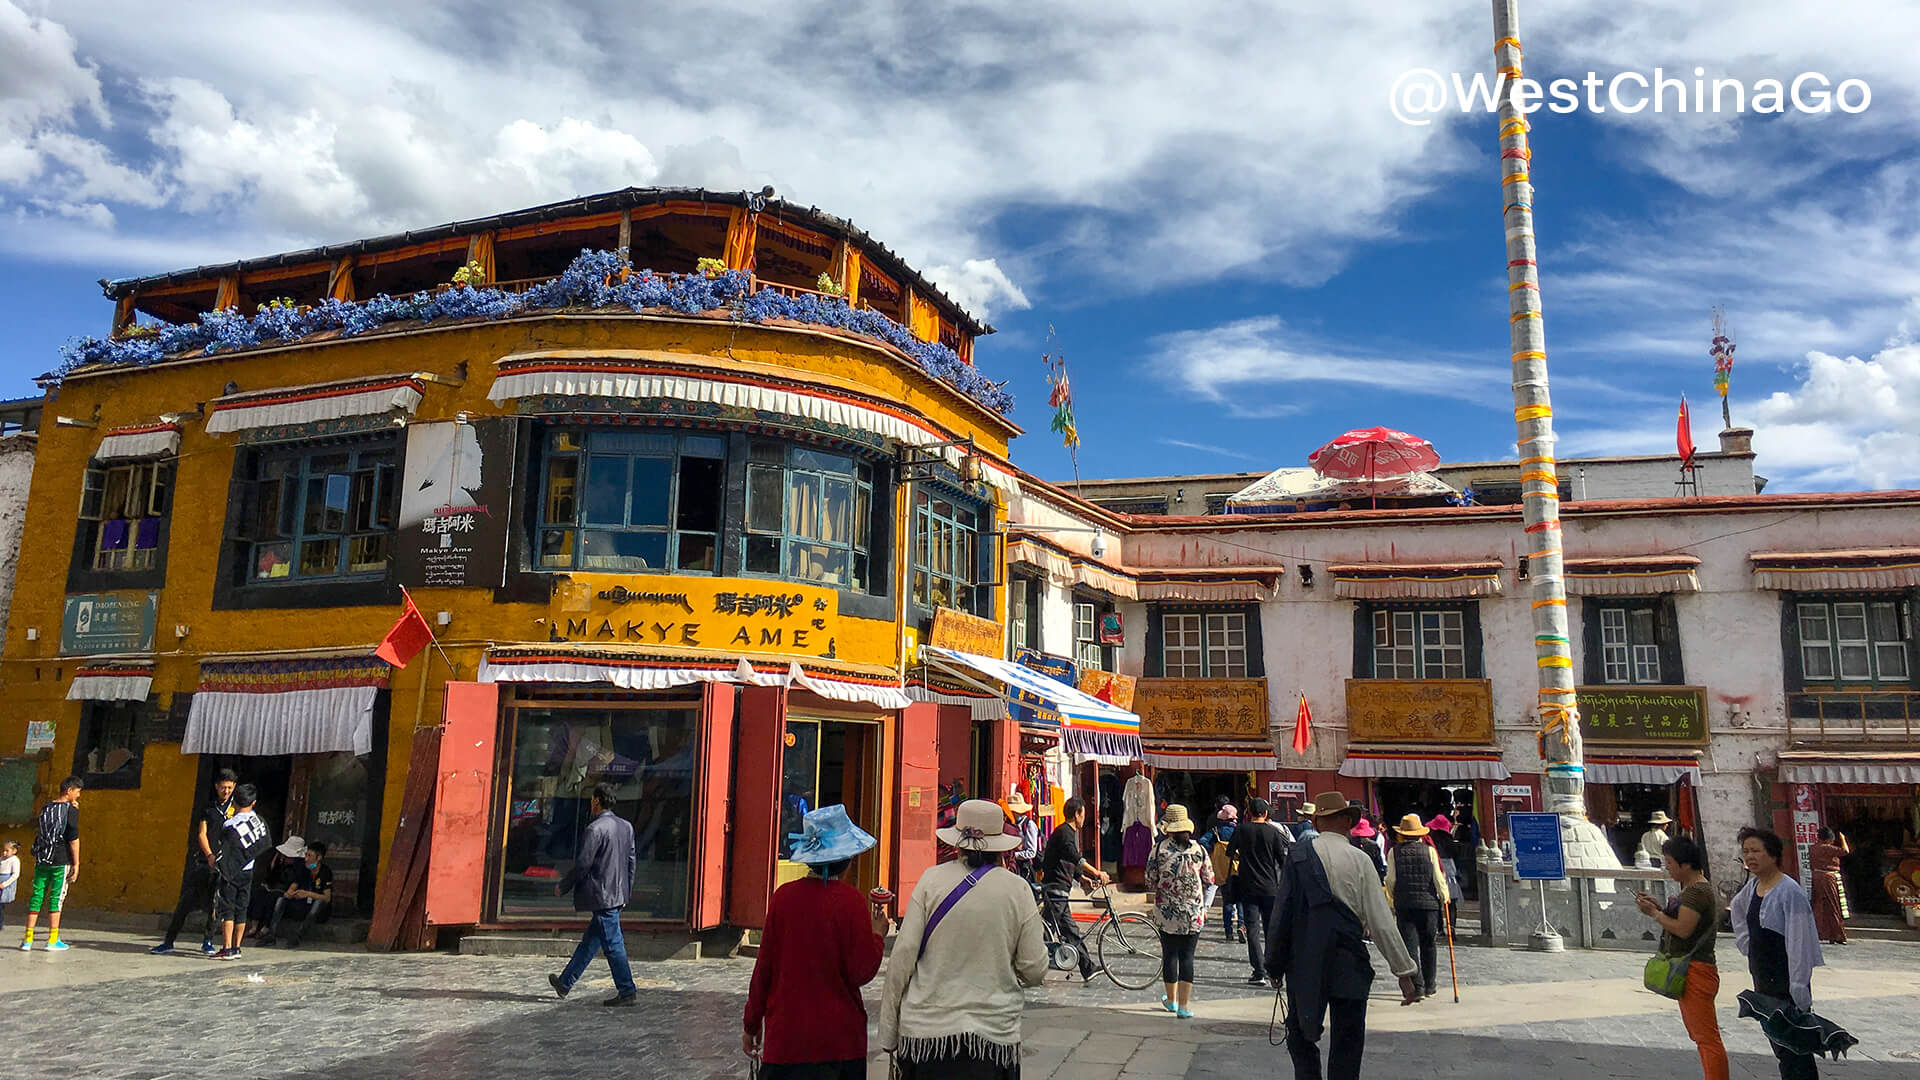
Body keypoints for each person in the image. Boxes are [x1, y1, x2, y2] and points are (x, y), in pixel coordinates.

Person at [880, 799, 1046, 1079]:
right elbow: (1034, 970)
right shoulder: (1017, 890)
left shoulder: (931, 880)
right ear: (1001, 848)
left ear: (958, 843)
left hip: (927, 1038)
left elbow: (903, 955)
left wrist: (888, 1032)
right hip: (991, 1042)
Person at [1267, 793, 1420, 1080]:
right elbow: (1381, 922)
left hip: (1305, 960)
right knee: (1348, 1040)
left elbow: (1282, 913)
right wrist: (1404, 972)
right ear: (1349, 821)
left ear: (1316, 821)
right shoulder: (1360, 860)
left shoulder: (1298, 857)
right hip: (1348, 959)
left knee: (1300, 1032)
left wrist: (1274, 963)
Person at [743, 805, 889, 1080]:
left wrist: (752, 1023)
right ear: (847, 859)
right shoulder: (852, 901)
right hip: (840, 1043)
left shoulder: (782, 898)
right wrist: (877, 935)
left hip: (787, 1040)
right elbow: (861, 971)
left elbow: (764, 970)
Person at [1730, 827, 1856, 1079]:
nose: (1750, 857)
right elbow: (1737, 909)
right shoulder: (1753, 886)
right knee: (1780, 1046)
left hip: (1786, 981)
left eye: (1756, 851)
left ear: (1773, 855)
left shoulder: (1789, 891)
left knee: (1795, 1049)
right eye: (1746, 852)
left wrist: (1799, 989)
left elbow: (1799, 944)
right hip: (1763, 978)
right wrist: (1748, 945)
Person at [1634, 835, 1728, 1080]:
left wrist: (1654, 913)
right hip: (1692, 967)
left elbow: (1683, 929)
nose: (1668, 869)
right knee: (1701, 1035)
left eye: (1670, 864)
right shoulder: (1691, 888)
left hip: (1696, 969)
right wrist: (1660, 909)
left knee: (1706, 1037)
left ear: (1686, 864)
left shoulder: (1697, 891)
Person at [547, 783, 639, 1005]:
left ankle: (627, 990)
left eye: (591, 799)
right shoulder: (626, 826)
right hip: (616, 894)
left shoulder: (595, 829)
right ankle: (565, 982)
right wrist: (626, 892)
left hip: (602, 895)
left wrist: (564, 885)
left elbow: (583, 864)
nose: (590, 803)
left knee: (613, 944)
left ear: (597, 800)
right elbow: (631, 862)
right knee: (592, 941)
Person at [153, 768, 238, 955]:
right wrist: (208, 855)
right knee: (185, 903)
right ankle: (168, 941)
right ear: (217, 787)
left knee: (215, 906)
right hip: (203, 862)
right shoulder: (208, 809)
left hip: (223, 866)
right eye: (223, 787)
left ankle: (207, 941)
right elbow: (202, 833)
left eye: (229, 788)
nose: (226, 791)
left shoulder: (236, 810)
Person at [1146, 804, 1213, 1019]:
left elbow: (1150, 880)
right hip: (1193, 913)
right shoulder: (1199, 850)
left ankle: (1171, 1000)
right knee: (1187, 957)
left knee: (1170, 955)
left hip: (1166, 914)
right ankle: (1184, 1006)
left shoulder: (1158, 850)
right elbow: (1209, 879)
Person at [1039, 796, 1108, 983]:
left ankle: (1084, 967)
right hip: (1055, 888)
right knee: (1063, 930)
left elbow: (1067, 862)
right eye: (1083, 814)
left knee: (1056, 930)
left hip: (1060, 887)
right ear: (1077, 814)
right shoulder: (1064, 833)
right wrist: (1096, 872)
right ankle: (1086, 968)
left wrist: (1082, 878)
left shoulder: (1066, 833)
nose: (1084, 819)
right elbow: (1074, 856)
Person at [1228, 796, 1292, 986]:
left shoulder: (1241, 830)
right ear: (1265, 813)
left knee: (1252, 929)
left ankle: (1259, 971)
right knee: (1271, 929)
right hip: (1270, 886)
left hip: (1248, 886)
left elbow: (1229, 852)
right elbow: (1282, 859)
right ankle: (1274, 968)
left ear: (1249, 813)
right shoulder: (1272, 832)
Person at [1384, 814, 1449, 999]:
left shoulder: (1394, 852)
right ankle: (1431, 985)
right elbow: (1437, 877)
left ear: (1402, 834)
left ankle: (1418, 986)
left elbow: (1391, 880)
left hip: (1405, 905)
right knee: (1429, 944)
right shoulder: (1429, 851)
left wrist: (1390, 899)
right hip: (1429, 905)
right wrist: (1444, 896)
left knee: (1410, 947)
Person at [22, 776, 83, 952]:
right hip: (60, 859)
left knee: (36, 896)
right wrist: (76, 863)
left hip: (42, 859)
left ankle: (27, 940)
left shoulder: (46, 807)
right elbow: (73, 839)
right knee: (56, 899)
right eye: (77, 792)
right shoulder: (71, 811)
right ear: (69, 791)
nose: (78, 795)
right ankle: (53, 939)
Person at [210, 784, 271, 960]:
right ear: (254, 803)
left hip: (231, 872)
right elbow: (263, 842)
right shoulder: (259, 822)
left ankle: (226, 947)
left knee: (228, 909)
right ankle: (237, 947)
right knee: (242, 908)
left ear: (234, 802)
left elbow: (225, 849)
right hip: (248, 870)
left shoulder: (230, 824)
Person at [263, 841, 333, 948]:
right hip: (302, 905)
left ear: (319, 858)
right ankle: (271, 934)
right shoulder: (303, 869)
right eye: (306, 855)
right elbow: (294, 884)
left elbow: (327, 898)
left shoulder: (325, 872)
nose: (306, 859)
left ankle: (298, 935)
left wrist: (308, 894)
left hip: (316, 909)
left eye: (310, 856)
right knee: (281, 900)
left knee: (318, 903)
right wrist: (290, 893)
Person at [1199, 803, 1240, 942]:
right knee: (1240, 900)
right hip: (1238, 868)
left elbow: (1203, 841)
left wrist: (1212, 850)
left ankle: (1228, 932)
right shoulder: (1239, 830)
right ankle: (1242, 925)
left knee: (1227, 901)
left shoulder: (1216, 831)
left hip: (1222, 869)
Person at [1806, 828, 1849, 945]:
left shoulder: (1813, 848)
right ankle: (1837, 934)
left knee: (1818, 905)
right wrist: (1843, 839)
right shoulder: (1826, 847)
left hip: (1816, 877)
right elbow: (1845, 851)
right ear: (1829, 839)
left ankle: (1819, 933)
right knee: (1833, 905)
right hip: (1828, 878)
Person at [1426, 814, 1463, 935]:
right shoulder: (1449, 839)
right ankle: (1451, 927)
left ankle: (1439, 928)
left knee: (1436, 900)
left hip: (1435, 866)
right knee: (1451, 902)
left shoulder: (1430, 839)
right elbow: (1457, 854)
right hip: (1450, 869)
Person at [1010, 793, 1042, 885]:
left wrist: (1013, 855)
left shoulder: (1029, 825)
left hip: (1025, 868)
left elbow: (1031, 852)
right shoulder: (1013, 824)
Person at [1348, 816, 1386, 882]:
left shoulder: (1349, 844)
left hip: (1353, 879)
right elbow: (1379, 865)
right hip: (1370, 878)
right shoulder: (1373, 845)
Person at [0, 839, 20, 932]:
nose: (4, 853)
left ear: (14, 851)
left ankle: (0, 924)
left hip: (5, 884)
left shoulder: (14, 860)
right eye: (3, 850)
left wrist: (5, 884)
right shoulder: (1, 859)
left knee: (1, 905)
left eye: (7, 851)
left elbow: (15, 874)